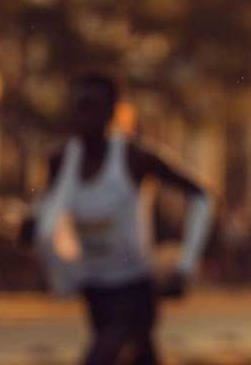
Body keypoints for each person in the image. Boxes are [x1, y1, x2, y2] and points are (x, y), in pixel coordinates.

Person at [33, 72, 213, 365]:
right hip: (94, 289)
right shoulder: (60, 160)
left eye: (92, 106)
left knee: (101, 356)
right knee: (141, 356)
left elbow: (202, 195)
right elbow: (46, 217)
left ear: (112, 112)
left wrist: (186, 264)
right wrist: (36, 233)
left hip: (135, 288)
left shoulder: (134, 157)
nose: (83, 115)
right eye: (78, 106)